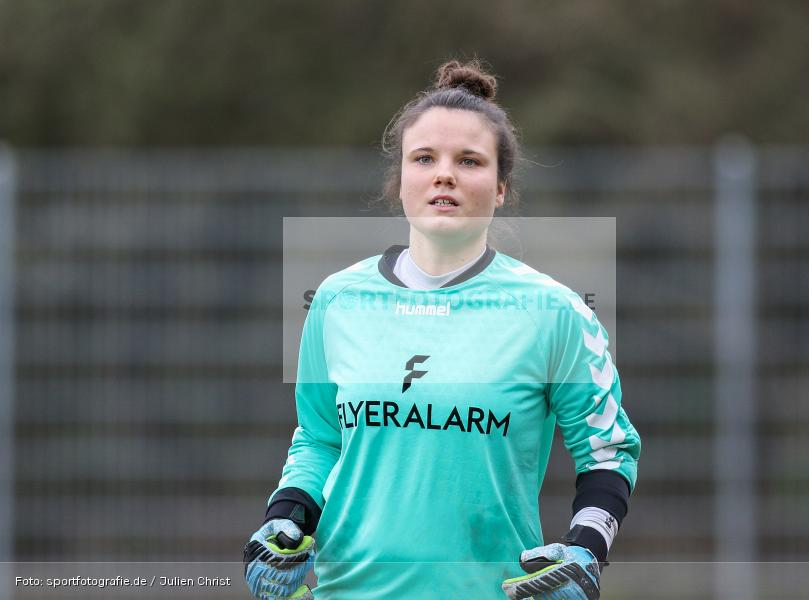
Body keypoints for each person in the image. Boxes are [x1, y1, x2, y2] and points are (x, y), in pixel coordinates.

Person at [243, 59, 641, 600]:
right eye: (424, 157)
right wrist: (286, 519)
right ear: (401, 180)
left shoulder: (556, 311)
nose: (444, 174)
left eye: (470, 160)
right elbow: (318, 438)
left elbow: (608, 451)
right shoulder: (336, 299)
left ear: (501, 188)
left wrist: (586, 549)